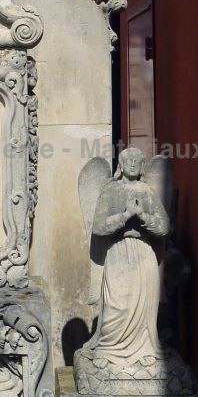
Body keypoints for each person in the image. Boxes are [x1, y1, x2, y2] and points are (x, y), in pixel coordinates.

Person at [86, 147, 169, 367]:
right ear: (121, 166)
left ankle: (144, 349)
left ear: (142, 166)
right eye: (128, 159)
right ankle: (108, 350)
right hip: (118, 252)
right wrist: (125, 215)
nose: (132, 162)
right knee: (117, 304)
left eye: (137, 160)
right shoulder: (110, 190)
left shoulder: (147, 192)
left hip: (143, 253)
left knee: (143, 306)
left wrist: (142, 215)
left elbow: (164, 227)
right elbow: (98, 227)